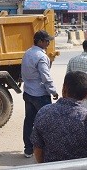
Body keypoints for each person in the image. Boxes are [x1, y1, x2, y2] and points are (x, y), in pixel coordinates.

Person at [21, 30, 59, 158]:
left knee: (29, 121)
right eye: (46, 41)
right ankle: (47, 149)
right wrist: (53, 91)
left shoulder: (27, 53)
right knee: (47, 122)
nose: (48, 43)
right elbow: (46, 77)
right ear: (40, 41)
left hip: (28, 92)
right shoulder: (41, 56)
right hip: (40, 95)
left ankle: (28, 149)